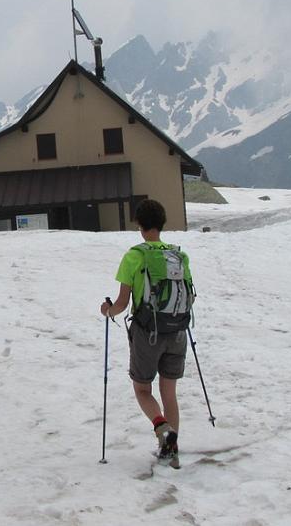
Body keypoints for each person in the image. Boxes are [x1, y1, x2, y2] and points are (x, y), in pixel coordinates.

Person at [100, 198, 192, 465]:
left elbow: (122, 303)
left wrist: (107, 311)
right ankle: (171, 447)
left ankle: (161, 428)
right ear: (161, 224)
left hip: (147, 333)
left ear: (139, 225)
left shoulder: (134, 256)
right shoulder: (179, 255)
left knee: (142, 389)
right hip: (177, 331)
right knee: (169, 393)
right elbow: (190, 296)